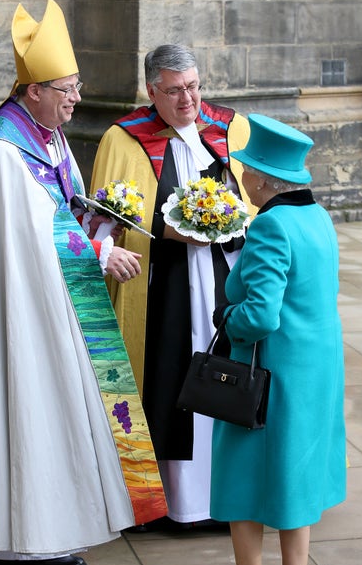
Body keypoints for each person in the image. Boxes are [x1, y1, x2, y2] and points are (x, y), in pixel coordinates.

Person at [0, 0, 166, 565]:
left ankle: (44, 527)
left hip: (56, 307)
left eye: (78, 86)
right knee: (24, 407)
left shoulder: (49, 138)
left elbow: (58, 214)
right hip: (18, 317)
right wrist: (98, 251)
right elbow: (25, 244)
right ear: (32, 90)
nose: (76, 98)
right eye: (66, 88)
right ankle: (12, 539)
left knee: (52, 414)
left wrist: (99, 222)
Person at [89, 44, 253, 529]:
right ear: (151, 91)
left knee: (231, 378)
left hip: (226, 277)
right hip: (163, 286)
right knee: (169, 380)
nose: (189, 100)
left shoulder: (229, 128)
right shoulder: (123, 139)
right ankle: (172, 502)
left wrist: (230, 220)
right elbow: (106, 219)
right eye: (175, 90)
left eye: (195, 86)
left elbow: (258, 197)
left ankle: (233, 493)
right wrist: (162, 230)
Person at [196, 114, 346, 565]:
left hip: (270, 376)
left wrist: (224, 317)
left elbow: (260, 315)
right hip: (315, 372)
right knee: (294, 478)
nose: (242, 179)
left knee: (245, 479)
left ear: (261, 179)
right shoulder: (318, 218)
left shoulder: (270, 224)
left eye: (246, 171)